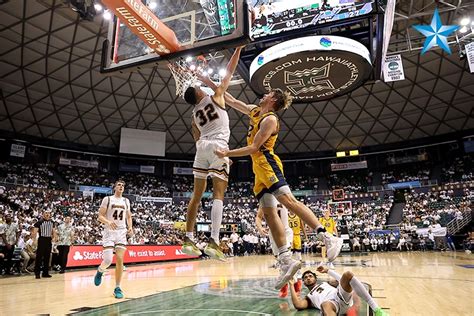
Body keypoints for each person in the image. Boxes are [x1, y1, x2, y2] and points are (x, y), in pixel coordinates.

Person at [210, 81, 343, 289]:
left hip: (267, 162)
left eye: (268, 93)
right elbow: (232, 100)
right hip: (258, 169)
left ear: (273, 100)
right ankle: (285, 259)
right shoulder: (255, 111)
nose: (264, 94)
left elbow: (254, 147)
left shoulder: (270, 119)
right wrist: (212, 85)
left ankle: (326, 235)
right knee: (270, 213)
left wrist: (227, 153)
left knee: (287, 200)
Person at [180, 46, 244, 261]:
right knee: (218, 195)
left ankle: (188, 238)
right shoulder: (216, 96)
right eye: (199, 87)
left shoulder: (194, 113)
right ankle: (214, 241)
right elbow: (230, 70)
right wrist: (238, 49)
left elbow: (195, 135)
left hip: (201, 147)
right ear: (199, 93)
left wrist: (204, 149)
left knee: (196, 196)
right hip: (218, 145)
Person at [289, 266, 389, 316]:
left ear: (315, 278)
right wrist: (291, 285)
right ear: (304, 282)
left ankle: (377, 310)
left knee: (348, 274)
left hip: (341, 297)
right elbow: (298, 305)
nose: (308, 278)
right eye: (305, 278)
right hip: (332, 306)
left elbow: (345, 281)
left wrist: (328, 271)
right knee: (325, 304)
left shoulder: (326, 283)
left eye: (310, 276)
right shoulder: (309, 297)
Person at [94, 180, 133, 299]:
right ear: (114, 187)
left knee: (120, 259)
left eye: (123, 185)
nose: (121, 187)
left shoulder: (126, 201)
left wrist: (130, 227)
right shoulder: (108, 199)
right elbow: (100, 216)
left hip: (121, 231)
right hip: (109, 231)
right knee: (108, 260)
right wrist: (108, 221)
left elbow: (129, 216)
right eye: (119, 185)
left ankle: (117, 287)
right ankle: (100, 270)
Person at [33, 210, 56, 279]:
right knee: (39, 257)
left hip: (48, 240)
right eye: (46, 213)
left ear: (50, 215)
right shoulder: (39, 222)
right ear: (43, 214)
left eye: (48, 213)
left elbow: (54, 231)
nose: (47, 214)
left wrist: (54, 237)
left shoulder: (52, 222)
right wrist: (34, 240)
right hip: (41, 239)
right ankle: (37, 273)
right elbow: (35, 232)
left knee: (47, 257)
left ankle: (45, 273)